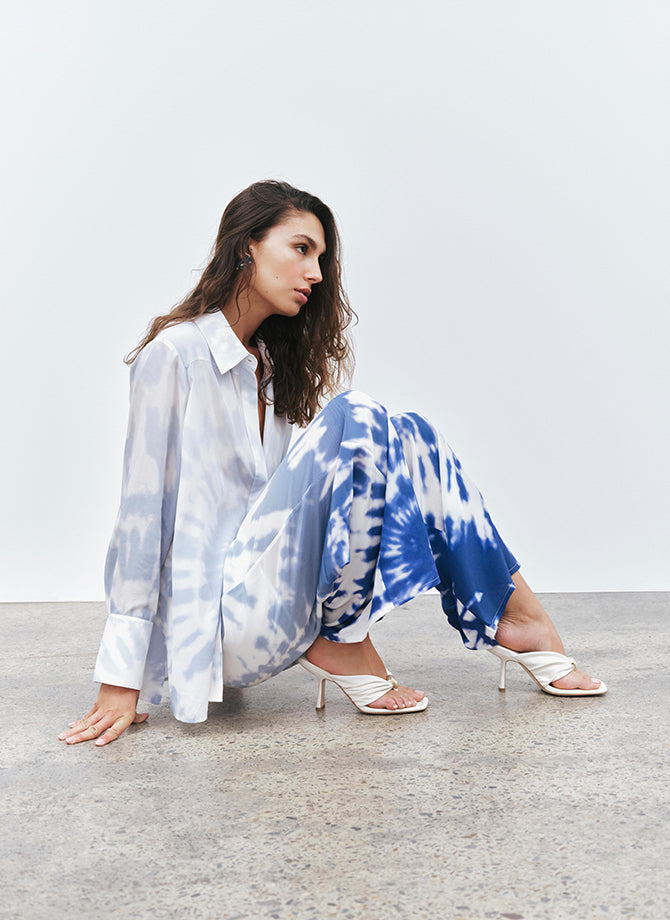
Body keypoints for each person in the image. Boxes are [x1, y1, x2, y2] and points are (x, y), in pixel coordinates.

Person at [59, 180, 606, 747]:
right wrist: (120, 678)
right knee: (358, 413)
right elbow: (140, 521)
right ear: (247, 245)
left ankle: (515, 616)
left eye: (320, 258)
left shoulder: (268, 367)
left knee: (413, 434)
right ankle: (344, 639)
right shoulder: (174, 355)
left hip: (280, 606)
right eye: (301, 249)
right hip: (222, 626)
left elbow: (287, 518)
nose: (316, 273)